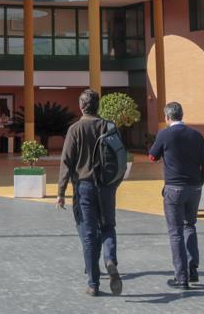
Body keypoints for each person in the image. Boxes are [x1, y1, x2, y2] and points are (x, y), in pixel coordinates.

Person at [57, 89, 121, 296]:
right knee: (108, 226)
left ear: (81, 106)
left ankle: (93, 284)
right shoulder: (109, 126)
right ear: (98, 105)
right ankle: (110, 259)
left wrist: (61, 191)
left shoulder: (75, 129)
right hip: (106, 186)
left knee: (89, 233)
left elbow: (66, 162)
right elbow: (119, 157)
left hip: (84, 186)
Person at [147, 101, 204, 289]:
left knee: (175, 232)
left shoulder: (164, 134)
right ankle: (193, 270)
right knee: (189, 225)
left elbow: (152, 157)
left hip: (174, 189)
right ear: (182, 115)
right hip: (194, 188)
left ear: (167, 117)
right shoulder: (196, 135)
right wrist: (199, 182)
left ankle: (181, 277)